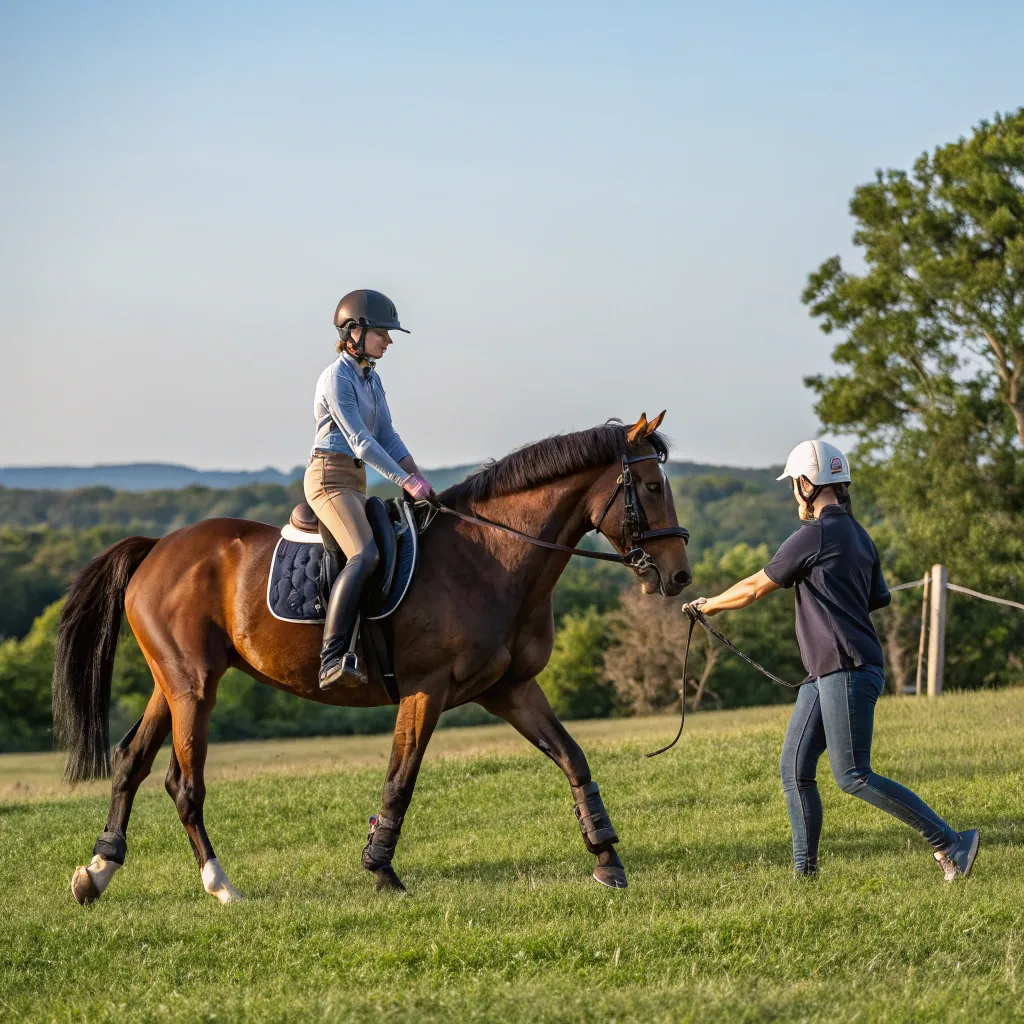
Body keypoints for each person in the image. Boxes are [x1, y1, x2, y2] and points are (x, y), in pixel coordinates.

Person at [684, 440, 979, 881]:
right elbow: (875, 598)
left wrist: (707, 606)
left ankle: (950, 842)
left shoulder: (816, 534)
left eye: (793, 485)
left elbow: (752, 587)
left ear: (807, 484)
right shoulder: (859, 534)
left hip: (845, 668)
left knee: (853, 775)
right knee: (795, 768)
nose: (792, 494)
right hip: (830, 670)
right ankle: (806, 876)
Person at [305, 289, 433, 690]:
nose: (389, 341)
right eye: (382, 333)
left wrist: (421, 479)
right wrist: (404, 481)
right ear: (354, 331)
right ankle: (331, 658)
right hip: (329, 478)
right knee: (365, 554)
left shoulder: (371, 379)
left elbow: (388, 437)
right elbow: (360, 440)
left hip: (356, 482)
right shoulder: (336, 377)